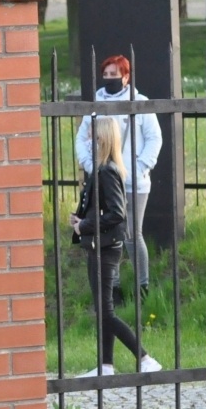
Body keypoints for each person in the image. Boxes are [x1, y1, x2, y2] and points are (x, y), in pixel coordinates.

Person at [71, 116, 162, 378]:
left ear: (103, 140)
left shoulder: (107, 170)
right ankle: (106, 366)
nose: (88, 141)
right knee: (104, 309)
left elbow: (117, 213)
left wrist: (85, 226)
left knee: (106, 311)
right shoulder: (101, 169)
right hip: (98, 246)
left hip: (106, 248)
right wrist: (81, 220)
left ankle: (145, 358)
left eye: (93, 137)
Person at [75, 55, 160, 302]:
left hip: (135, 182)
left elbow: (155, 139)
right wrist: (94, 168)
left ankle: (143, 286)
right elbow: (82, 139)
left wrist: (138, 167)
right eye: (107, 74)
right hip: (105, 180)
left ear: (126, 76)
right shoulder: (96, 104)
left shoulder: (140, 103)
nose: (110, 79)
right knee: (110, 235)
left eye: (115, 74)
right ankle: (115, 288)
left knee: (132, 234)